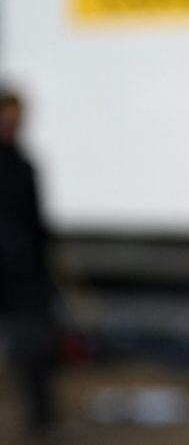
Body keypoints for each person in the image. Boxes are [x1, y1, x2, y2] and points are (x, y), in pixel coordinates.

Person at [0, 87, 57, 434]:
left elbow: (35, 222)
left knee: (34, 347)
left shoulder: (23, 163)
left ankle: (40, 417)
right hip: (12, 272)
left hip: (24, 276)